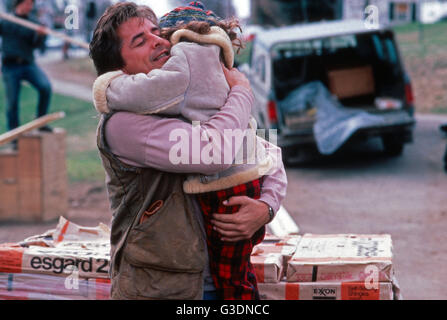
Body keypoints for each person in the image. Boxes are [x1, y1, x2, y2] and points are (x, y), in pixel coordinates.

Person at [89, 2, 287, 300]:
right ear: (120, 69)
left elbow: (267, 154)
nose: (157, 41)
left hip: (224, 283)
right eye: (139, 41)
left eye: (156, 32)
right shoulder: (122, 125)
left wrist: (265, 208)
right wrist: (242, 92)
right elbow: (213, 153)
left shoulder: (186, 101)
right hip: (161, 291)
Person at [0, 0, 52, 138]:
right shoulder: (6, 21)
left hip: (28, 64)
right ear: (19, 3)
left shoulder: (33, 23)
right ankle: (14, 136)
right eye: (27, 3)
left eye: (31, 4)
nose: (29, 7)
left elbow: (36, 45)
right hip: (10, 66)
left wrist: (41, 36)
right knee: (12, 102)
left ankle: (41, 122)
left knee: (45, 87)